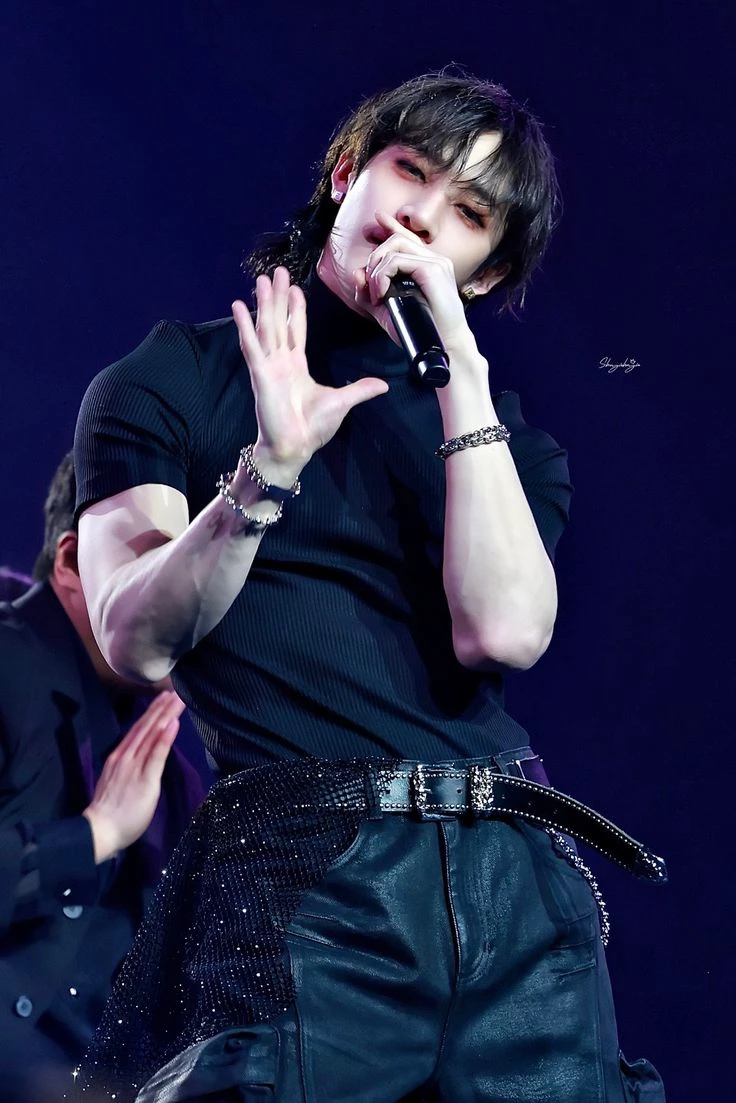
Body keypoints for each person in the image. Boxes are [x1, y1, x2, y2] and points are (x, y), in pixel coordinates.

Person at [72, 72, 666, 1101]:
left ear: (485, 271)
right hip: (311, 872)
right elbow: (134, 637)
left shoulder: (509, 449)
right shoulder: (174, 380)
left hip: (515, 884)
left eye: (468, 213)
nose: (420, 218)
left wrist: (461, 375)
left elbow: (506, 632)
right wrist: (267, 472)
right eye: (410, 171)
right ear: (347, 173)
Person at [0, 453, 206, 1103]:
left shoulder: (172, 774)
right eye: (159, 560)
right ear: (70, 561)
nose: (192, 591)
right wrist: (94, 835)